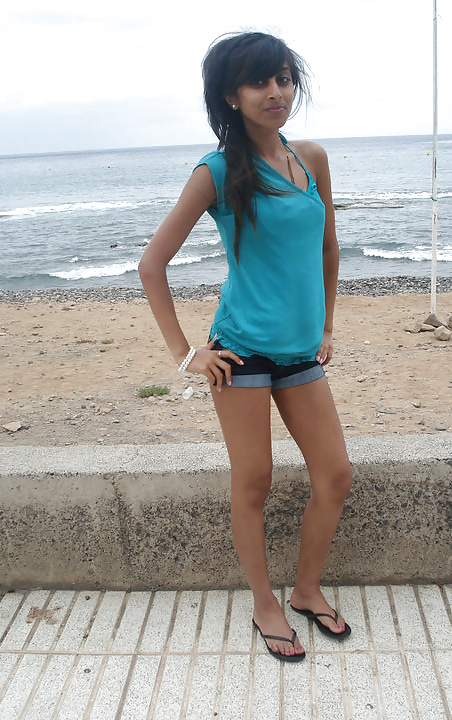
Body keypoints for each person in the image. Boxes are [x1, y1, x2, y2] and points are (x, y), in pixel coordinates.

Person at [139, 31, 352, 663]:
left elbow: (327, 248)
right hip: (240, 351)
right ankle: (264, 602)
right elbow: (152, 265)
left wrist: (327, 326)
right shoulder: (217, 171)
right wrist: (187, 355)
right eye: (259, 81)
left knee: (335, 476)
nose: (275, 91)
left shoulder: (311, 159)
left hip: (300, 351)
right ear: (231, 95)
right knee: (254, 480)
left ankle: (306, 590)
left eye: (284, 78)